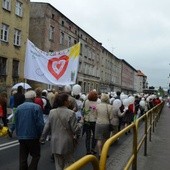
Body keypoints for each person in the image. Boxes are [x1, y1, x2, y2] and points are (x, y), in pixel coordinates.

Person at [40, 92, 83, 170]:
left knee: (58, 164)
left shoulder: (52, 112)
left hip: (55, 142)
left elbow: (46, 127)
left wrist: (42, 139)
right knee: (69, 162)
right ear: (65, 102)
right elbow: (75, 129)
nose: (69, 101)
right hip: (67, 142)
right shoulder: (71, 113)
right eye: (68, 100)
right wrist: (80, 123)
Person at [15, 90, 44, 170]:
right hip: (33, 136)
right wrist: (39, 134)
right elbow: (40, 124)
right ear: (33, 98)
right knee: (36, 155)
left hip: (21, 136)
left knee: (23, 157)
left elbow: (16, 122)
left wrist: (17, 133)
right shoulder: (36, 107)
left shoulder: (18, 108)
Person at [95, 93, 113, 157]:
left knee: (99, 139)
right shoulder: (110, 107)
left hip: (98, 123)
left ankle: (100, 153)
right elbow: (111, 117)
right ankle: (105, 153)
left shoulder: (97, 106)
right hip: (106, 124)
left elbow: (95, 115)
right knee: (105, 139)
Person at [83, 90, 98, 155]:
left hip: (87, 120)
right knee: (95, 136)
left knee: (88, 136)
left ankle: (88, 150)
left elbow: (83, 109)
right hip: (94, 121)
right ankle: (93, 149)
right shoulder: (97, 103)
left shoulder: (86, 102)